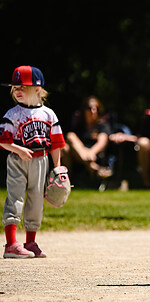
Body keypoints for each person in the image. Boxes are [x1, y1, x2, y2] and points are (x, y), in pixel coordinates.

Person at [0, 66, 66, 258]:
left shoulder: (48, 115)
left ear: (37, 89)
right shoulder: (12, 114)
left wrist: (58, 167)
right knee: (15, 198)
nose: (17, 91)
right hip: (16, 160)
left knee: (36, 200)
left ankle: (30, 242)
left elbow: (56, 143)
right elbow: (3, 140)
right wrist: (18, 150)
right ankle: (11, 244)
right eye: (15, 87)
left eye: (22, 87)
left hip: (41, 161)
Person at [62, 96, 113, 180]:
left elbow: (102, 142)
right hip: (80, 156)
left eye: (96, 108)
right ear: (84, 111)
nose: (93, 111)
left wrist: (91, 152)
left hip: (96, 155)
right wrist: (86, 154)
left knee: (70, 137)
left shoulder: (102, 125)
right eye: (90, 108)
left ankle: (68, 180)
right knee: (67, 142)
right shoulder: (80, 126)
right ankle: (92, 168)